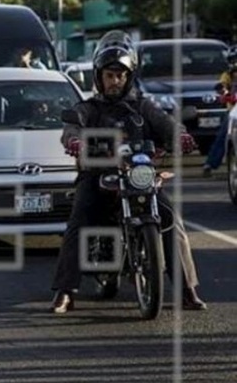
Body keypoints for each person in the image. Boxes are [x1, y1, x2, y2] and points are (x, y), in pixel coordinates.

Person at [51, 30, 207, 313]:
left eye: (121, 75)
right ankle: (65, 292)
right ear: (99, 77)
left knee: (172, 220)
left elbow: (167, 124)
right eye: (110, 75)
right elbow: (71, 128)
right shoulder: (88, 109)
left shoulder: (143, 107)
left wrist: (180, 136)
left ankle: (187, 290)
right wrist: (74, 141)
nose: (115, 81)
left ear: (129, 77)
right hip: (98, 177)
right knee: (78, 220)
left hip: (140, 176)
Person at [201, 47, 237, 177]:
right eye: (234, 60)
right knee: (223, 137)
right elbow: (220, 87)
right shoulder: (228, 75)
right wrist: (226, 94)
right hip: (233, 112)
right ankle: (210, 164)